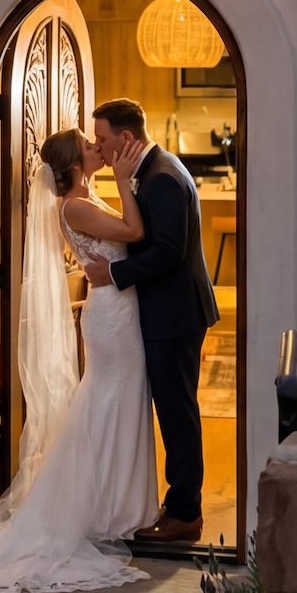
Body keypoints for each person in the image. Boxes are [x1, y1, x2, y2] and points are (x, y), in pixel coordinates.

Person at [0, 126, 157, 593]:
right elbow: (135, 232)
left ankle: (117, 506)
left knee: (120, 400)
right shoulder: (75, 206)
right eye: (89, 146)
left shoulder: (84, 198)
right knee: (106, 401)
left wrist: (120, 183)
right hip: (111, 319)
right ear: (76, 162)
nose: (98, 148)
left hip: (119, 310)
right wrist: (124, 179)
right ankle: (98, 509)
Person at [76, 98, 219, 544]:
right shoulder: (159, 167)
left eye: (101, 138)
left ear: (125, 138)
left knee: (177, 413)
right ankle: (179, 505)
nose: (98, 147)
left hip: (174, 314)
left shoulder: (160, 180)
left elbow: (168, 251)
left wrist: (113, 273)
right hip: (170, 310)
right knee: (175, 410)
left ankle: (184, 514)